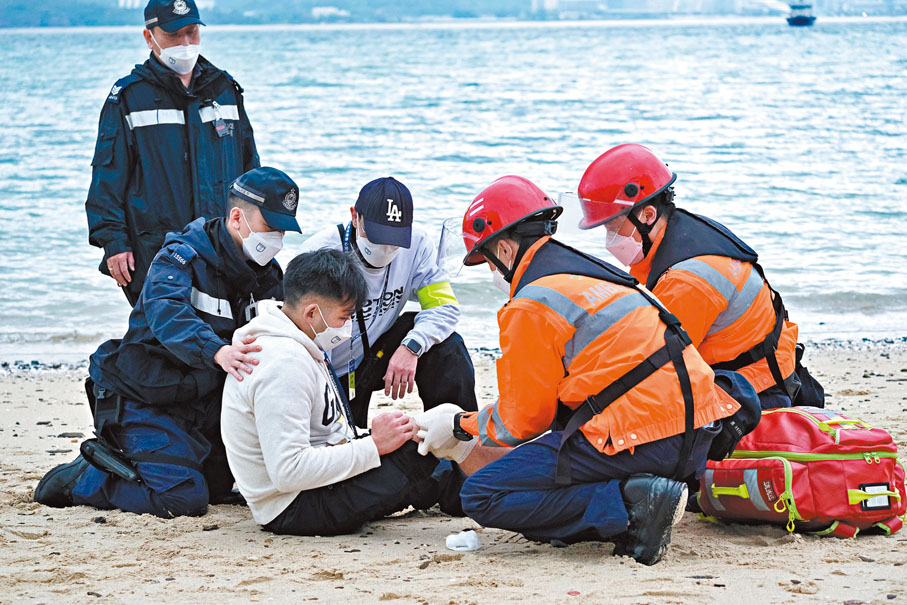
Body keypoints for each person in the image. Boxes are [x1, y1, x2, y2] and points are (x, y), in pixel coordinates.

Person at [415, 175, 759, 565]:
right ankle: (639, 490)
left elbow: (523, 422)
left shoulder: (531, 304)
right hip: (698, 434)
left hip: (646, 438)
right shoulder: (594, 273)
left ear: (506, 250)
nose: (491, 272)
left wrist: (460, 426)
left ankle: (631, 504)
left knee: (482, 494)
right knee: (561, 440)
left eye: (488, 261)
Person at [34, 167, 300, 518]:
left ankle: (171, 460)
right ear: (237, 217)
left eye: (283, 230)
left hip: (199, 403)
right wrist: (216, 350)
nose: (277, 238)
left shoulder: (266, 275)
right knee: (182, 500)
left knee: (220, 490)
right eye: (271, 227)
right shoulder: (181, 254)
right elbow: (165, 311)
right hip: (144, 398)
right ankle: (87, 477)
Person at [221, 249, 465, 535]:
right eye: (344, 316)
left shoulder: (298, 341)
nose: (348, 326)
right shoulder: (282, 363)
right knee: (421, 451)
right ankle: (481, 494)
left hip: (315, 484)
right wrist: (374, 445)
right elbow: (288, 472)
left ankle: (466, 492)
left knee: (422, 436)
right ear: (311, 312)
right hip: (293, 506)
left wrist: (372, 439)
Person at [571, 144, 824, 410]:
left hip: (753, 393)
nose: (610, 239)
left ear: (647, 215)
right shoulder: (686, 235)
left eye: (613, 227)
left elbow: (651, 367)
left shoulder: (685, 280)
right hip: (770, 371)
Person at [86, 0, 259, 305]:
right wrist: (114, 242)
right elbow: (106, 181)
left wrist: (257, 231)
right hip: (155, 251)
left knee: (224, 342)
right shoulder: (128, 98)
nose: (185, 43)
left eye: (192, 32)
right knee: (164, 343)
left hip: (222, 247)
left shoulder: (225, 89)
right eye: (173, 35)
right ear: (148, 36)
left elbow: (251, 172)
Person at [299, 176, 477, 428]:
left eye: (395, 239)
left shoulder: (417, 244)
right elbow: (297, 335)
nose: (386, 247)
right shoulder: (319, 252)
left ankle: (461, 438)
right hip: (327, 369)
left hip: (375, 353)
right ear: (354, 216)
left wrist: (411, 347)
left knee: (448, 345)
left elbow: (444, 307)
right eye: (377, 236)